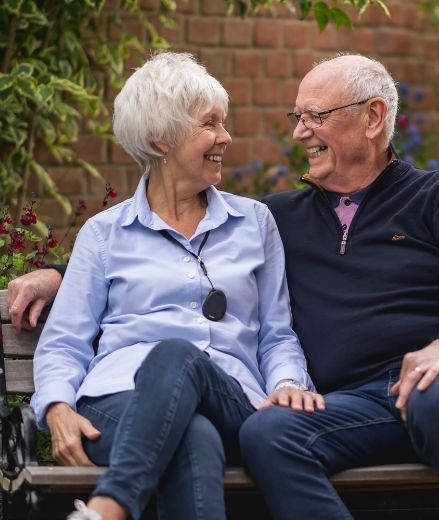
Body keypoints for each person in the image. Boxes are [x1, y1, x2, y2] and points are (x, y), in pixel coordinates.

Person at [9, 54, 439, 519]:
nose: (300, 133)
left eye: (315, 117)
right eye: (297, 118)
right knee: (269, 433)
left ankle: (108, 508)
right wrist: (60, 273)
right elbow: (142, 242)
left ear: (372, 118)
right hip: (361, 403)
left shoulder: (434, 196)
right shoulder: (280, 217)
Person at [25, 51, 323, 520]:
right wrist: (57, 407)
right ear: (160, 139)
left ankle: (107, 507)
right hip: (118, 403)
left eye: (223, 123)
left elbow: (277, 333)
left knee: (175, 353)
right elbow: (64, 342)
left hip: (234, 399)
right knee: (192, 436)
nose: (225, 137)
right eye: (210, 124)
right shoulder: (105, 234)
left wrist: (287, 382)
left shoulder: (254, 223)